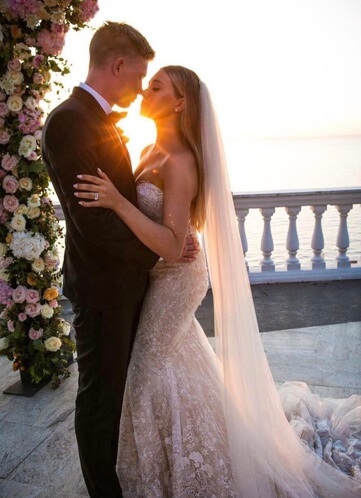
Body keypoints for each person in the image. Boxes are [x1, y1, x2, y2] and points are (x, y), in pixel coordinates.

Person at [74, 66, 361, 497]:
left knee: (148, 372)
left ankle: (180, 470)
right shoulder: (151, 147)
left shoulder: (180, 160)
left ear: (180, 102)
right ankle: (186, 451)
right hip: (160, 273)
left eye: (157, 87)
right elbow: (168, 229)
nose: (145, 91)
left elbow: (172, 246)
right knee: (174, 363)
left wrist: (117, 202)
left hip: (176, 277)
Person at [41, 23, 198, 498]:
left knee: (126, 391)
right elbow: (96, 222)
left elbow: (120, 205)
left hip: (127, 286)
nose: (140, 86)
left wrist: (162, 250)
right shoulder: (71, 120)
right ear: (118, 65)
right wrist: (160, 254)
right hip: (103, 288)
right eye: (141, 75)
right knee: (100, 401)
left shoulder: (101, 120)